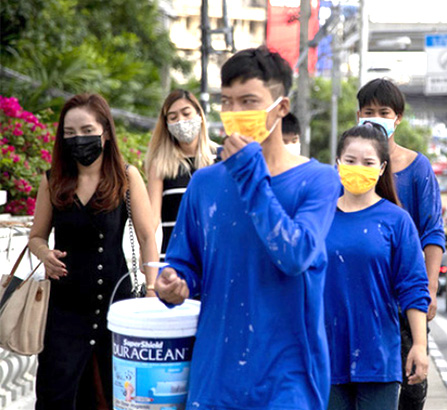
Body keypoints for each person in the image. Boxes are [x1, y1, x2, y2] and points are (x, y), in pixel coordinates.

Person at [154, 46, 341, 410]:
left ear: (281, 107)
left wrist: (249, 172)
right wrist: (173, 283)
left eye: (249, 101)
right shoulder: (204, 184)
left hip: (289, 382)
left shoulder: (319, 181)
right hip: (215, 380)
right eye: (227, 102)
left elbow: (295, 253)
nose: (235, 114)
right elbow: (185, 265)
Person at [27, 93, 158, 409]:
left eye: (87, 131)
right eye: (69, 134)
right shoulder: (53, 180)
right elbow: (36, 237)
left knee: (116, 396)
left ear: (106, 132)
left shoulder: (127, 177)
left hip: (117, 306)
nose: (78, 140)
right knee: (56, 393)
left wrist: (151, 288)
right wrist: (45, 254)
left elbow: (146, 236)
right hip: (65, 309)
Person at [324, 123, 430, 410]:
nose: (358, 167)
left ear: (382, 168)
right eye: (350, 160)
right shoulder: (317, 217)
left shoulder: (397, 220)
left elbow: (413, 287)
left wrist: (419, 346)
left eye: (368, 162)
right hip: (324, 356)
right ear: (338, 163)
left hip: (378, 357)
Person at [356, 78, 444, 410]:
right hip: (361, 296)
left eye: (384, 111)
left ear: (398, 118)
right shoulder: (351, 168)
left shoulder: (417, 168)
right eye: (368, 111)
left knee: (410, 388)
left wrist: (430, 288)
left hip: (404, 299)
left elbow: (433, 233)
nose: (376, 117)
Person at [145, 89, 217, 260]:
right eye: (173, 117)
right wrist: (146, 248)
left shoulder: (220, 157)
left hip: (215, 257)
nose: (181, 121)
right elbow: (152, 217)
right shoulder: (161, 165)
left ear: (199, 114)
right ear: (166, 124)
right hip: (174, 259)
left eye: (186, 113)